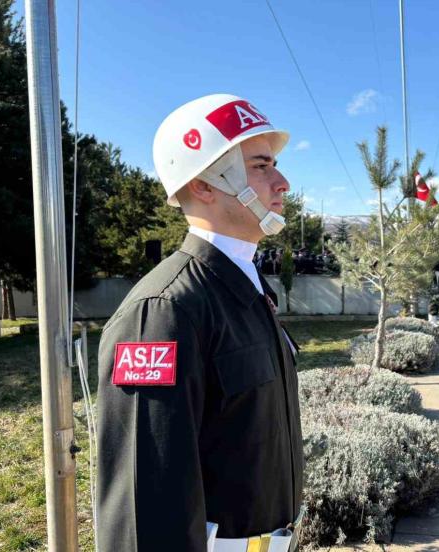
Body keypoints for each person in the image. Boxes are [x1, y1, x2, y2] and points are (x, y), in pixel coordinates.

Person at [97, 94, 304, 551]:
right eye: (261, 166)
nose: (283, 182)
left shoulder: (246, 286)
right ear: (204, 185)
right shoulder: (164, 310)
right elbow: (146, 506)